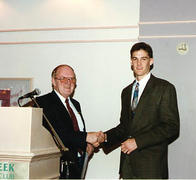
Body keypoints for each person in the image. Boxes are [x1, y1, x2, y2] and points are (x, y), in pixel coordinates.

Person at [102, 42, 180, 179]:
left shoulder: (164, 88)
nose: (139, 63)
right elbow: (125, 127)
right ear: (131, 62)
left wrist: (138, 141)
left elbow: (171, 127)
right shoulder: (126, 92)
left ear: (151, 61)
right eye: (135, 59)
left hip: (151, 168)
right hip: (127, 166)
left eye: (143, 59)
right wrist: (104, 137)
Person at [35, 64, 103, 179]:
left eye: (71, 78)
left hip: (76, 165)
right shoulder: (43, 102)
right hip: (56, 168)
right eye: (63, 78)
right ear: (53, 81)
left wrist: (86, 145)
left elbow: (75, 132)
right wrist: (86, 137)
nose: (68, 82)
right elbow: (57, 134)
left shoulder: (75, 104)